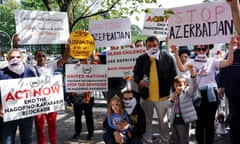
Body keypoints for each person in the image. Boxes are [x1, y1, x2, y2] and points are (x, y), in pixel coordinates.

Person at [171, 42, 234, 144]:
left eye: (203, 49)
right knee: (199, 123)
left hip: (211, 95)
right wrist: (175, 52)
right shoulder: (192, 61)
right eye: (198, 49)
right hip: (197, 95)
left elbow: (229, 62)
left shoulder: (212, 61)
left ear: (207, 50)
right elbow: (182, 68)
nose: (201, 51)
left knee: (209, 123)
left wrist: (231, 48)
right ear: (195, 50)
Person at [133, 36, 177, 144]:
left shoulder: (168, 58)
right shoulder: (141, 59)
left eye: (154, 45)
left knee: (163, 122)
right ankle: (147, 141)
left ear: (159, 45)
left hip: (163, 96)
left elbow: (173, 76)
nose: (152, 48)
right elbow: (136, 75)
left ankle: (165, 141)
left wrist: (174, 93)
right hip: (146, 97)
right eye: (149, 46)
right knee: (146, 121)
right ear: (146, 47)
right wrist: (140, 81)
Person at [32, 47, 69, 144]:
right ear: (35, 58)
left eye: (43, 56)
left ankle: (53, 142)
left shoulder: (50, 66)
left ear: (46, 58)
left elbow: (65, 59)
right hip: (38, 103)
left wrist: (67, 47)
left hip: (51, 102)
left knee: (52, 125)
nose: (41, 58)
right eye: (39, 56)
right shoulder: (31, 69)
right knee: (40, 127)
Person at [0, 48, 36, 144]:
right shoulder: (1, 74)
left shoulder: (30, 73)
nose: (15, 59)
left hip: (26, 114)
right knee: (6, 141)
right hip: (8, 115)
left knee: (27, 140)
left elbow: (36, 92)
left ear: (22, 58)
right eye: (12, 57)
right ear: (7, 58)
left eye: (18, 57)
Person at [217, 35, 240, 144]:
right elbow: (223, 71)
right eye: (238, 39)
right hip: (232, 95)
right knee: (234, 119)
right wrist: (221, 86)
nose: (238, 41)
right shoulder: (230, 54)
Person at [167, 65, 198, 144]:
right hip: (174, 121)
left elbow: (194, 86)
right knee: (176, 140)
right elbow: (167, 106)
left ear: (185, 85)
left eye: (180, 85)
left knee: (184, 140)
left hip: (184, 121)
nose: (178, 87)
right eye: (176, 86)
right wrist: (172, 101)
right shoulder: (173, 94)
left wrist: (192, 73)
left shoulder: (187, 93)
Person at [72, 58, 94, 140]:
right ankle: (77, 132)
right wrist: (75, 68)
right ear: (80, 61)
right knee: (77, 116)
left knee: (89, 116)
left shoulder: (93, 69)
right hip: (77, 96)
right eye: (84, 60)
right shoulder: (75, 68)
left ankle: (90, 133)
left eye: (88, 60)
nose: (86, 61)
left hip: (89, 96)